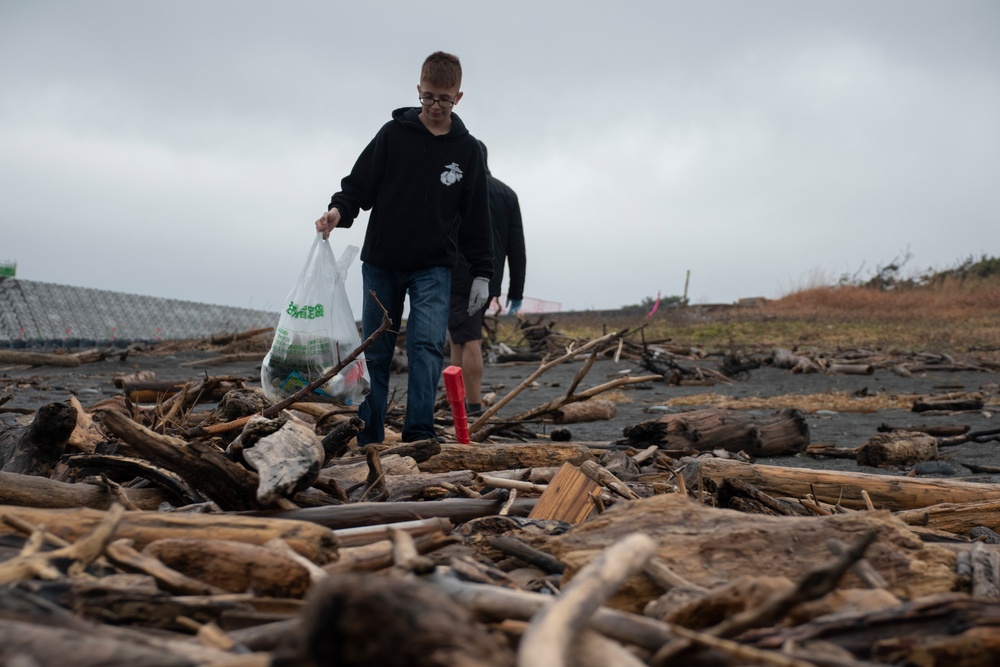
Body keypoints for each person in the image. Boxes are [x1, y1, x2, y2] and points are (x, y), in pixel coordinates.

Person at [315, 51, 493, 445]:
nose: (434, 106)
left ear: (458, 98)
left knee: (426, 346)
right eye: (428, 97)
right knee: (375, 354)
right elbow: (357, 187)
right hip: (382, 262)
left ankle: (418, 435)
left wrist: (483, 272)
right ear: (418, 90)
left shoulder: (467, 151)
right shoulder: (392, 135)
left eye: (443, 99)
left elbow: (477, 217)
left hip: (434, 266)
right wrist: (336, 214)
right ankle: (369, 438)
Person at [448, 140, 527, 416]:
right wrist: (515, 291)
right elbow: (517, 247)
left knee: (468, 339)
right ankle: (458, 404)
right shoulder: (507, 194)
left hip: (459, 275)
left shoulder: (460, 189)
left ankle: (472, 406)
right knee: (460, 336)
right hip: (489, 278)